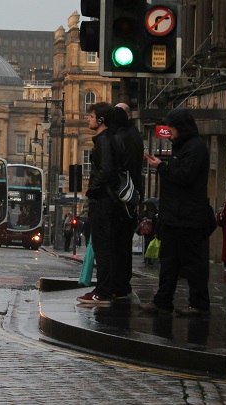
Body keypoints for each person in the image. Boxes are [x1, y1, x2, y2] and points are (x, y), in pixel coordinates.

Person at [140, 108, 217, 317]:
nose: (169, 132)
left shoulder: (195, 148)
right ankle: (162, 301)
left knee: (193, 264)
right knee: (169, 262)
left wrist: (161, 168)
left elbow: (185, 176)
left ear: (181, 127)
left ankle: (199, 304)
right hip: (175, 215)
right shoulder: (182, 147)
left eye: (171, 127)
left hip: (188, 216)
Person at [77, 101, 126, 305]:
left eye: (91, 115)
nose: (88, 118)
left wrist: (92, 189)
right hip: (106, 199)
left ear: (101, 119)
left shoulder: (104, 141)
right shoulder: (105, 139)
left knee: (102, 247)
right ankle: (103, 288)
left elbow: (106, 171)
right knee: (104, 246)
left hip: (103, 200)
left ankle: (103, 292)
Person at [111, 102, 144, 298]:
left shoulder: (119, 138)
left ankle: (118, 285)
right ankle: (123, 285)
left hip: (121, 197)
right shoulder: (135, 136)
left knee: (117, 244)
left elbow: (114, 170)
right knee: (124, 244)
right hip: (132, 196)